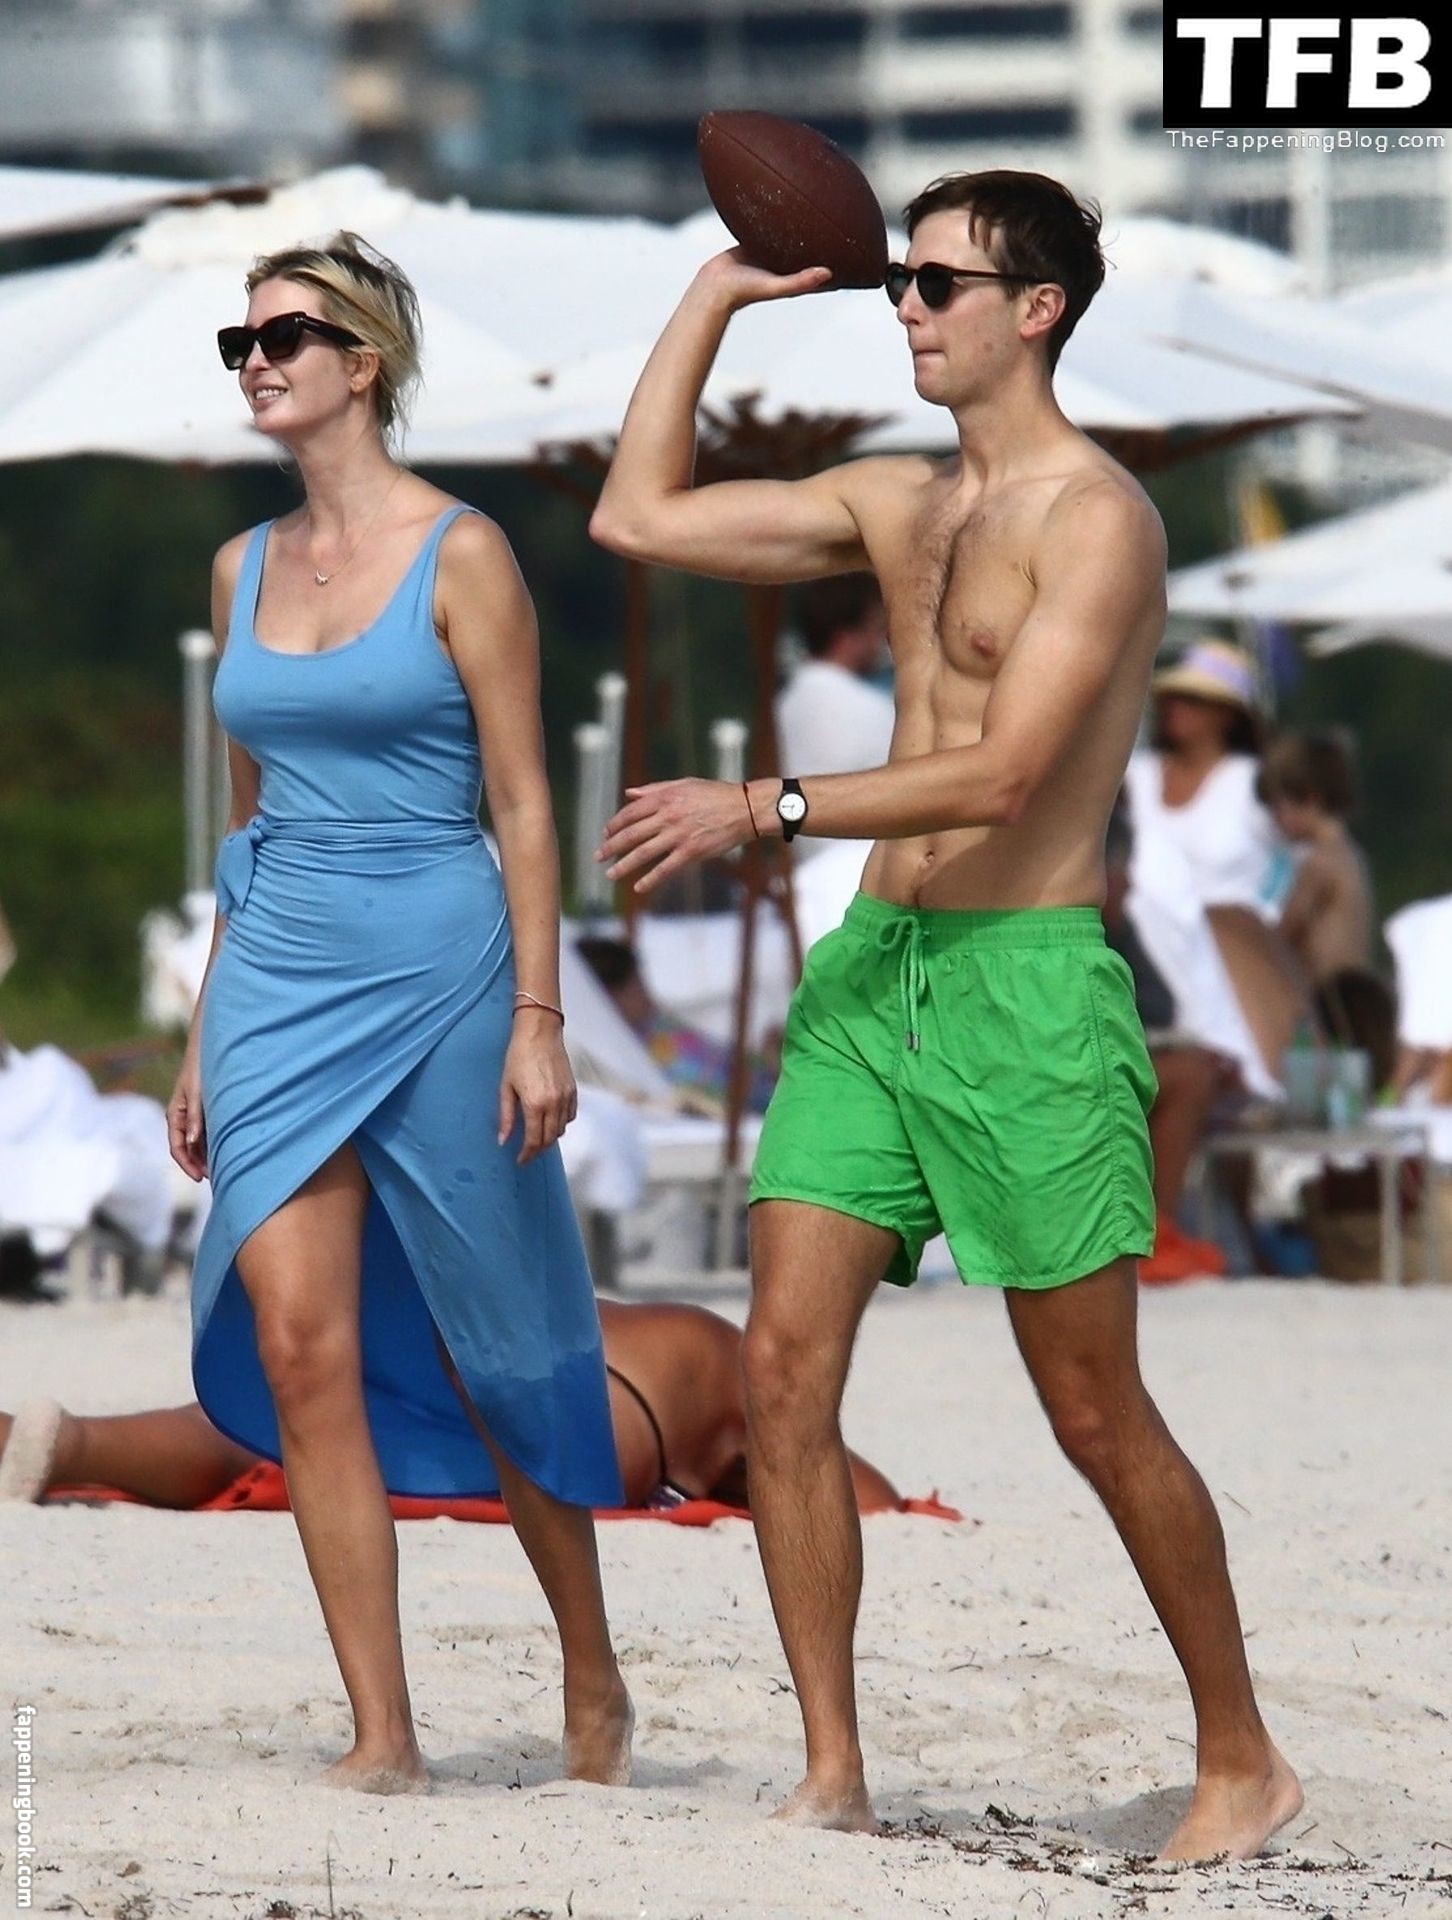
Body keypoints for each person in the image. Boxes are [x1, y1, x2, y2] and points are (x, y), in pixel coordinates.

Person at [588, 168, 1300, 1860]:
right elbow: (637, 516)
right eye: (899, 281)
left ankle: (1241, 1756)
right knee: (779, 1371)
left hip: (1024, 990)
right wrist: (711, 297)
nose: (904, 307)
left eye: (937, 283)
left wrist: (759, 807)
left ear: (1034, 310)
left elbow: (1002, 773)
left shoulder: (1097, 520)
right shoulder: (894, 501)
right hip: (871, 982)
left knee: (1091, 1411)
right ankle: (832, 1769)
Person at [170, 233, 629, 1796]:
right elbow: (246, 824)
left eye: (285, 336)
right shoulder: (238, 566)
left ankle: (591, 1669)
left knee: (499, 1341)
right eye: (239, 342)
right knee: (302, 1346)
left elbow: (524, 801)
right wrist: (202, 1031)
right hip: (277, 978)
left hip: (444, 973)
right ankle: (384, 1731)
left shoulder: (467, 552)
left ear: (363, 364)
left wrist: (540, 1014)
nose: (256, 361)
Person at [0, 1300, 901, 1515]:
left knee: (281, 1428)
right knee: (273, 1445)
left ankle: (62, 1441)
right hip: (622, 1419)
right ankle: (65, 1446)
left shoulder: (688, 1332)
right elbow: (873, 1502)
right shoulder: (737, 1372)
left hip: (493, 1343)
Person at [1102, 802, 1229, 1285]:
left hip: (1095, 1058)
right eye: (1122, 872)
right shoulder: (1079, 929)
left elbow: (1156, 1008)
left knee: (1196, 1070)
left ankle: (1159, 1229)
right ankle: (1155, 1229)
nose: (1129, 885)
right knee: (1190, 1078)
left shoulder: (1117, 932)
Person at [1122, 640, 1282, 915]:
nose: (1176, 707)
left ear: (1227, 714)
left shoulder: (1255, 782)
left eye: (1192, 700)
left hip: (1232, 936)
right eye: (1173, 697)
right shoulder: (1135, 776)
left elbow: (1302, 859)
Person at [575, 934, 779, 1114]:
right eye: (637, 985)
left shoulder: (647, 1032)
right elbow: (729, 1087)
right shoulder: (641, 1050)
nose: (646, 994)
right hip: (758, 1097)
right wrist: (772, 1064)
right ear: (611, 995)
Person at [775, 574, 895, 844]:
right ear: (846, 637)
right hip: (863, 857)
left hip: (807, 860)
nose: (882, 641)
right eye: (876, 628)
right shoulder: (873, 710)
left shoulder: (783, 706)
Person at [1256, 732, 1374, 985]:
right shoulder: (1349, 856)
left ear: (1311, 799)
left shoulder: (1321, 864)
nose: (1274, 819)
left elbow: (1280, 937)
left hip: (1324, 997)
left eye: (1277, 806)